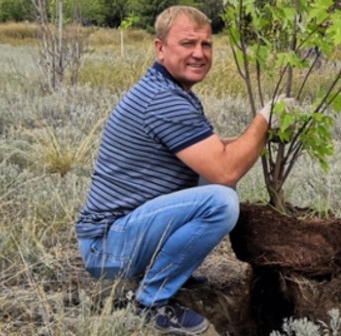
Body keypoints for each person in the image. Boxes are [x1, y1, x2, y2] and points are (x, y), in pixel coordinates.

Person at [75, 5, 283, 335]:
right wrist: (265, 119)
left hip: (118, 237)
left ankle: (170, 270)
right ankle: (149, 303)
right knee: (221, 199)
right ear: (160, 48)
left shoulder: (171, 91)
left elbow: (213, 152)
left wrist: (259, 137)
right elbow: (226, 169)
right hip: (109, 247)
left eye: (206, 44)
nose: (199, 54)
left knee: (211, 181)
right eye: (187, 43)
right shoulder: (164, 100)